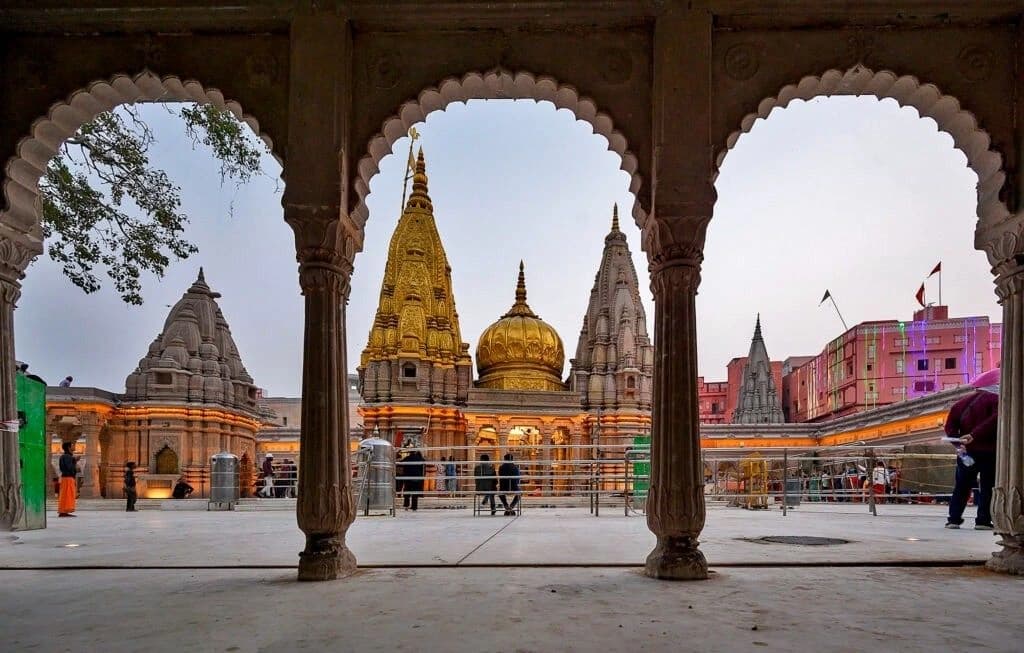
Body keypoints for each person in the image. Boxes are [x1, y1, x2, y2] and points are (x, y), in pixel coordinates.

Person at [944, 369, 999, 530]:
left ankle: (953, 519)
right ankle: (983, 520)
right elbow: (995, 420)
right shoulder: (996, 401)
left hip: (966, 452)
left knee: (962, 485)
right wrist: (975, 435)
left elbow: (950, 427)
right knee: (988, 486)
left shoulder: (959, 404)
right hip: (990, 451)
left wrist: (959, 444)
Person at [57, 442, 78, 517]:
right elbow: (70, 468)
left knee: (65, 494)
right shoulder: (67, 457)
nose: (74, 446)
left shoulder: (65, 456)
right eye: (72, 445)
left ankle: (63, 511)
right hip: (68, 478)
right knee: (67, 494)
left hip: (65, 478)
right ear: (69, 447)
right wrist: (75, 461)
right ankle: (64, 511)